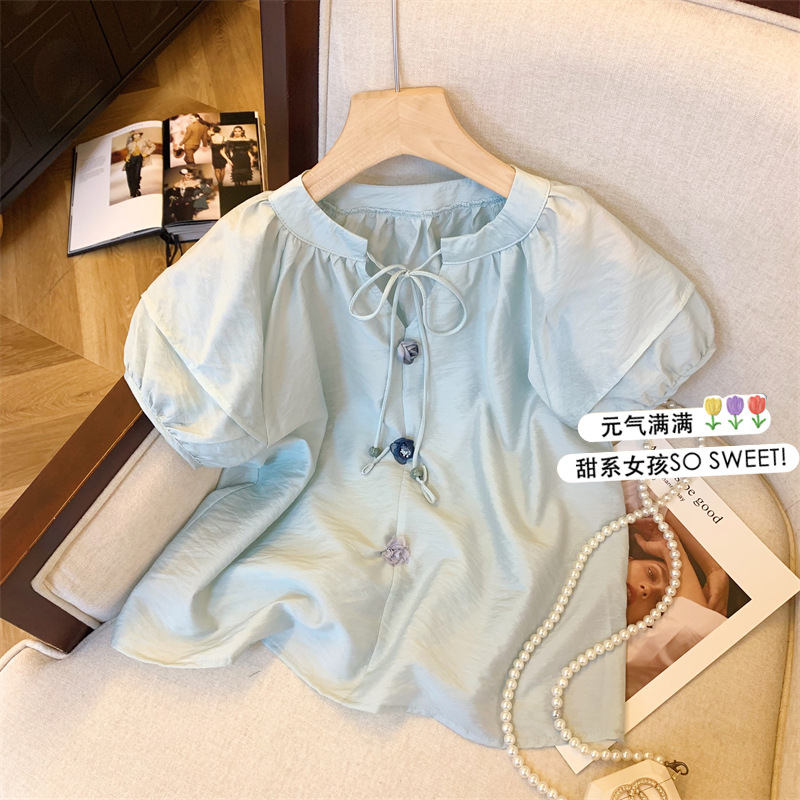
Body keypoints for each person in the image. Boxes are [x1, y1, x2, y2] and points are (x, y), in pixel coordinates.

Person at [624, 500, 728, 698]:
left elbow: (694, 630)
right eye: (651, 574)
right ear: (628, 559)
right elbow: (650, 491)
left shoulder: (625, 657)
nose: (647, 590)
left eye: (657, 605)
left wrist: (672, 549)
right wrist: (713, 567)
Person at [123, 131, 155, 198]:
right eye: (134, 134)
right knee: (130, 176)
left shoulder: (144, 140)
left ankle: (136, 189)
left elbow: (153, 146)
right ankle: (133, 192)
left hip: (139, 158)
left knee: (137, 175)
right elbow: (129, 153)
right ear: (132, 136)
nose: (136, 135)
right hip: (131, 160)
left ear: (140, 134)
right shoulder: (130, 143)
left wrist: (147, 153)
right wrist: (127, 158)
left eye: (137, 134)